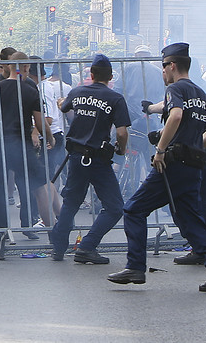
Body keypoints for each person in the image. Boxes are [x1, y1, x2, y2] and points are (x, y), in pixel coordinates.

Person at [109, 42, 206, 292]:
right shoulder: (201, 93)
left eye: (164, 67)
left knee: (134, 210)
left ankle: (135, 266)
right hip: (192, 163)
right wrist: (191, 146)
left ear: (172, 65)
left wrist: (161, 150)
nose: (163, 72)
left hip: (172, 162)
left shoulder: (176, 89)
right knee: (189, 217)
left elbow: (176, 115)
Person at [48, 54, 130, 264]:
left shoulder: (77, 92)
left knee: (72, 202)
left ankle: (58, 247)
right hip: (98, 158)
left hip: (76, 156)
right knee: (114, 207)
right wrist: (121, 150)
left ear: (91, 75)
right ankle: (87, 246)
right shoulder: (115, 98)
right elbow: (121, 132)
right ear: (110, 76)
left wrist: (60, 102)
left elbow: (64, 106)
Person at [0, 51, 55, 242]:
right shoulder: (30, 90)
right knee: (39, 187)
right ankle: (53, 231)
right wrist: (49, 137)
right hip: (20, 146)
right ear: (25, 67)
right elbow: (40, 123)